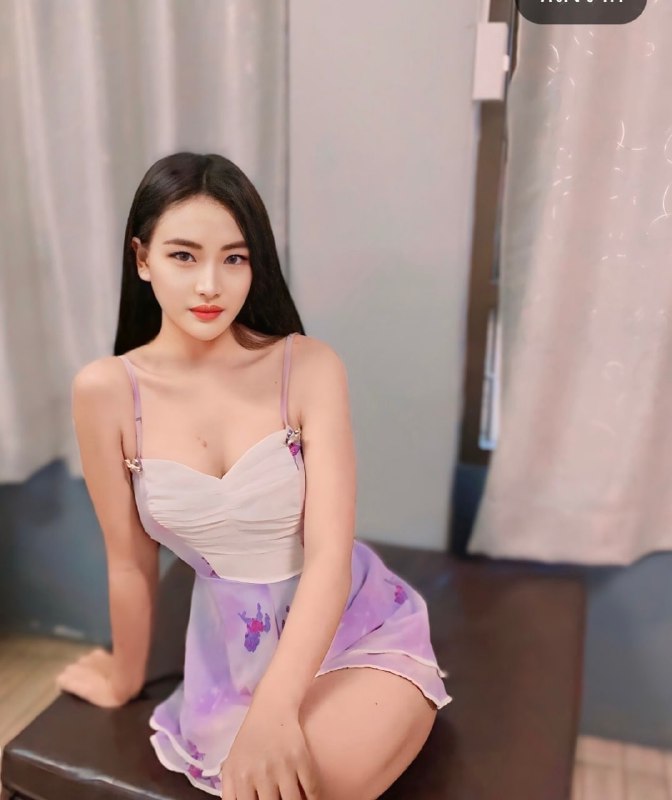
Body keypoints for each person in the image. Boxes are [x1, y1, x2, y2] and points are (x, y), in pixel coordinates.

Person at [56, 152, 451, 800]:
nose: (210, 285)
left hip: (353, 625)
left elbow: (328, 555)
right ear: (142, 258)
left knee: (317, 781)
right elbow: (129, 561)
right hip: (232, 658)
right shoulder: (106, 392)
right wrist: (123, 679)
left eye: (234, 258)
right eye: (184, 256)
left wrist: (275, 710)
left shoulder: (309, 367)